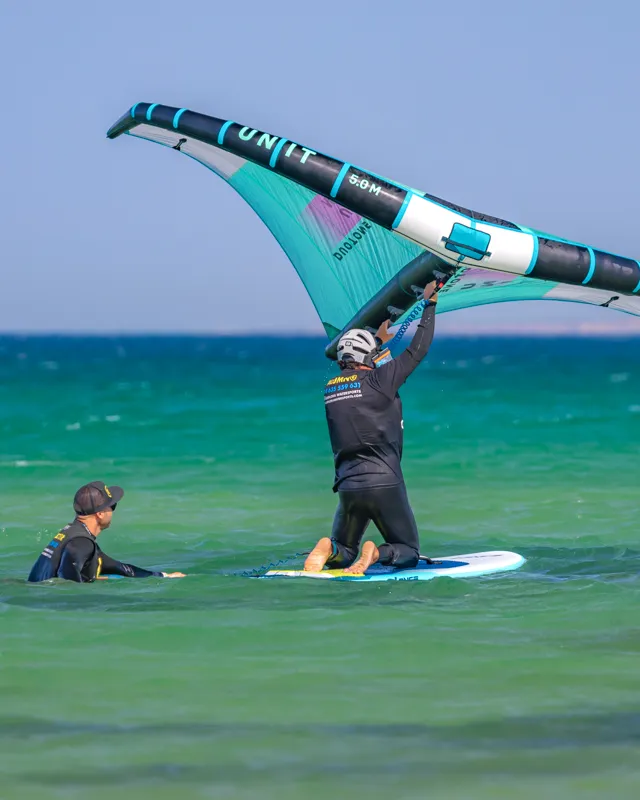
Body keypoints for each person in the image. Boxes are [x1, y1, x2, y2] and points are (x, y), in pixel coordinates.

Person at [304, 280, 440, 575]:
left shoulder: (332, 390)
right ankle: (377, 552)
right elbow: (418, 349)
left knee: (345, 550)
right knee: (407, 550)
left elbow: (361, 370)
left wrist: (377, 342)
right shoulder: (381, 382)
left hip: (349, 486)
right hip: (385, 482)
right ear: (368, 358)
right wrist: (429, 304)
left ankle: (330, 548)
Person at [28, 481, 185, 583]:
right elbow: (66, 579)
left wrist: (162, 576)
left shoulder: (74, 534)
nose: (113, 511)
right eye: (113, 506)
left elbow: (120, 568)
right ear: (100, 514)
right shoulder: (81, 543)